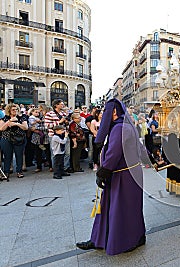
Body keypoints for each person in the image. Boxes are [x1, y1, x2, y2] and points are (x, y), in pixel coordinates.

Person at [76, 98, 148, 255]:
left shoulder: (120, 128)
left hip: (124, 176)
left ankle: (129, 240)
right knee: (112, 207)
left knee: (124, 209)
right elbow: (140, 147)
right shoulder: (124, 125)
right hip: (125, 174)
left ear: (114, 112)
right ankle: (100, 239)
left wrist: (103, 172)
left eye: (106, 111)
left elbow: (114, 153)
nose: (103, 114)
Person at [0, 104, 28, 180]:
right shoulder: (4, 118)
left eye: (16, 109)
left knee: (19, 155)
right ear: (9, 110)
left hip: (19, 139)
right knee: (7, 156)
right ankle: (6, 171)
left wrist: (16, 124)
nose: (15, 111)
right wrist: (9, 121)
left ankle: (19, 171)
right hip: (6, 139)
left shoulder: (22, 117)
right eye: (13, 110)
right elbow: (1, 128)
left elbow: (25, 127)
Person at [45, 99, 72, 173]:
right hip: (54, 136)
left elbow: (66, 124)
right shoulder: (49, 114)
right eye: (61, 104)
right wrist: (59, 122)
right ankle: (56, 170)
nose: (62, 105)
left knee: (67, 153)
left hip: (64, 134)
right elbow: (47, 125)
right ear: (56, 105)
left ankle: (65, 168)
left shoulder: (64, 114)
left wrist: (66, 122)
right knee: (55, 153)